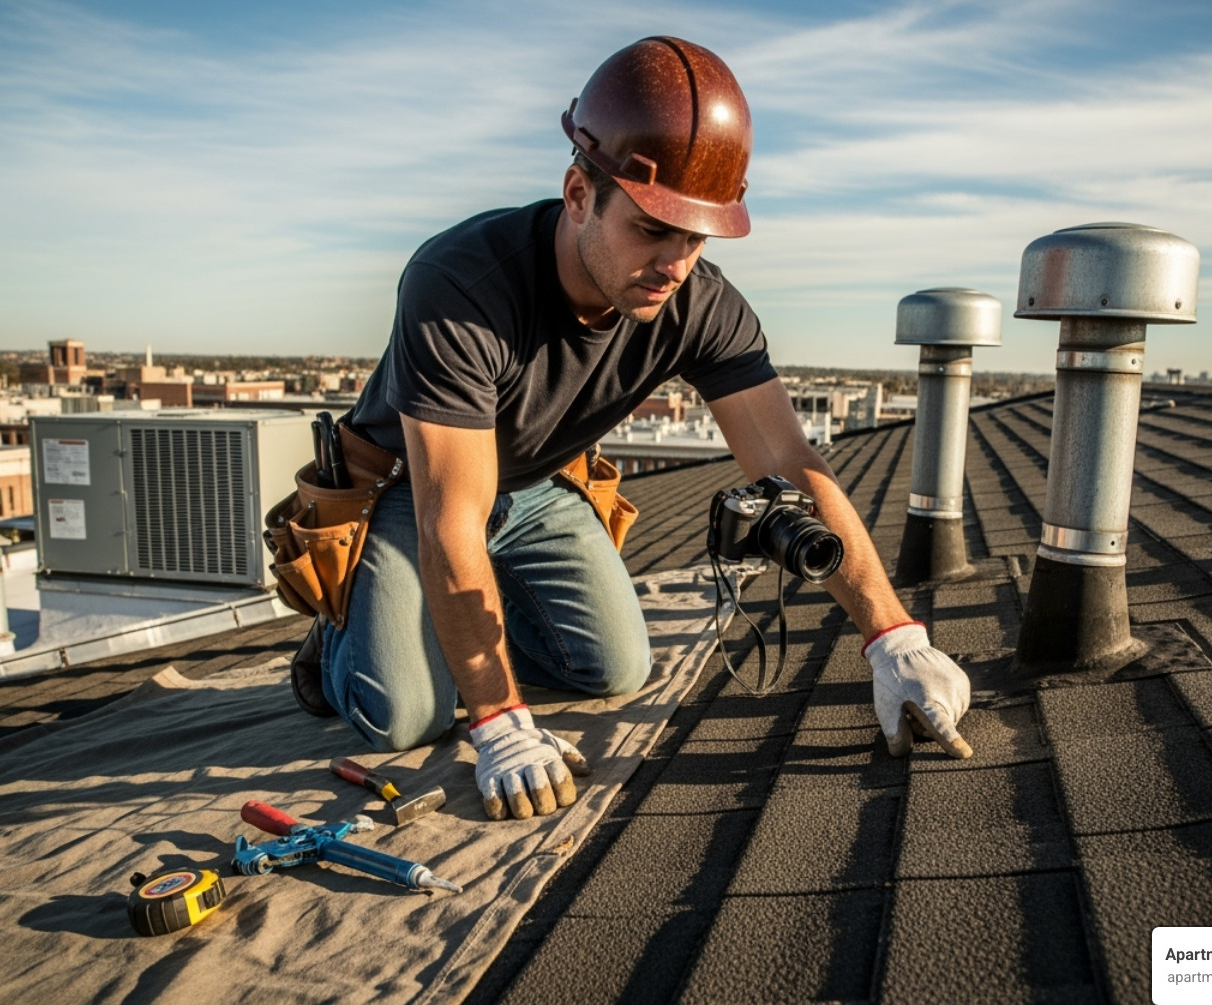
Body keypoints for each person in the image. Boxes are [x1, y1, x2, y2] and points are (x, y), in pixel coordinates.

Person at [291, 36, 973, 822]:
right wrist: (501, 724)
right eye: (653, 229)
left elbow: (789, 461)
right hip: (414, 492)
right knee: (403, 714)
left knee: (615, 668)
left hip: (537, 486)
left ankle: (456, 623)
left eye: (696, 238)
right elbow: (453, 519)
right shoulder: (459, 284)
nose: (676, 263)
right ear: (579, 191)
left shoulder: (699, 304)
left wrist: (893, 639)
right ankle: (337, 644)